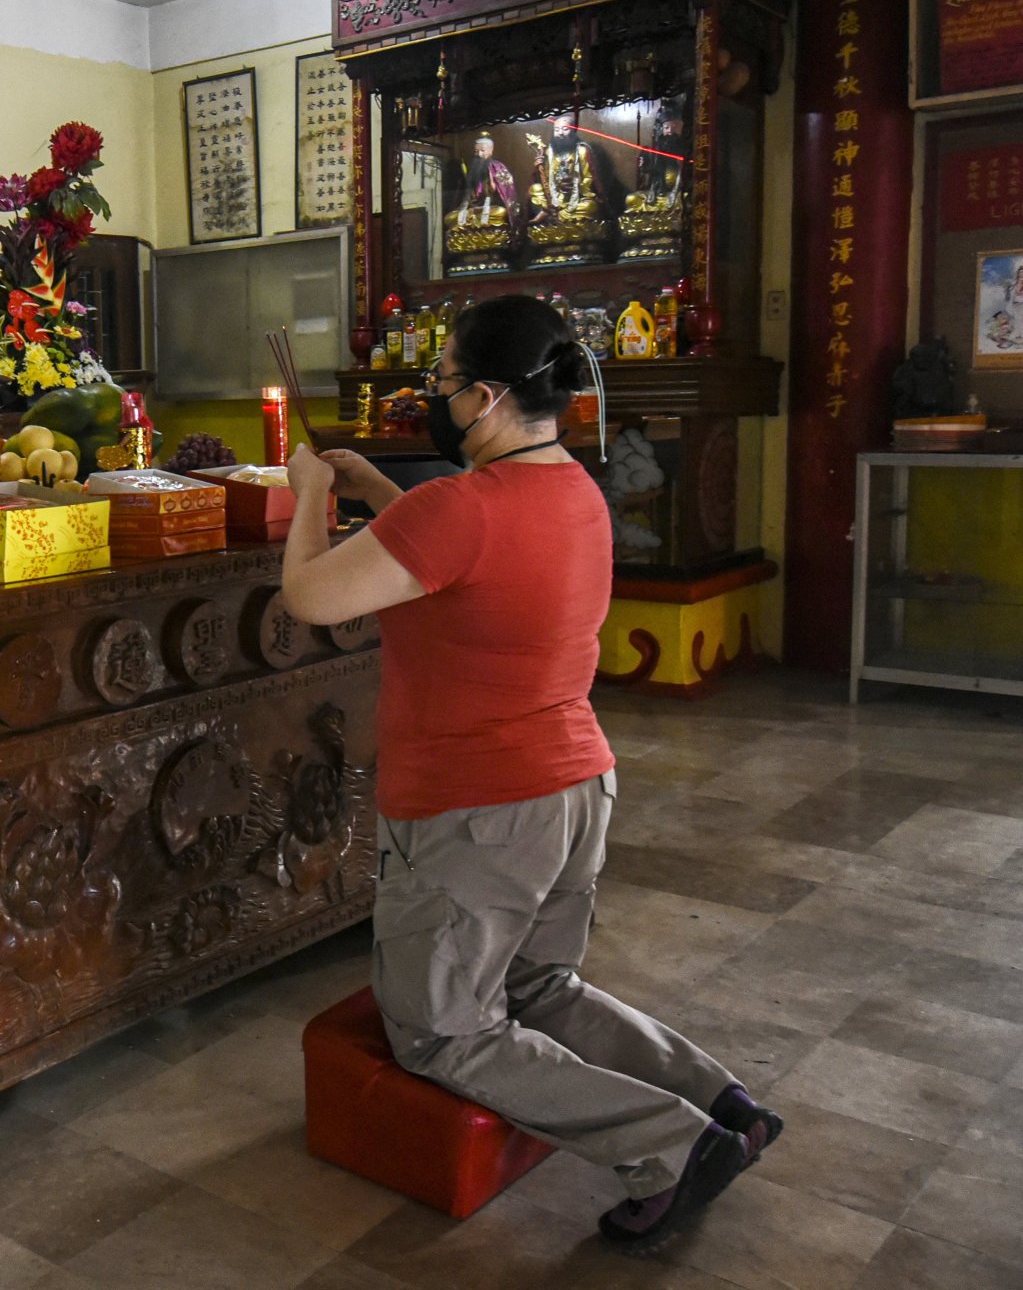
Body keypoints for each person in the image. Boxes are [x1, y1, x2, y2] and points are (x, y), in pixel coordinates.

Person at [280, 295, 781, 1254]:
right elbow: (455, 561)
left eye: (441, 383)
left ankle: (670, 1145)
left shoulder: (458, 511)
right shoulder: (574, 491)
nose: (435, 397)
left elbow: (311, 592)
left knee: (442, 1030)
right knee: (541, 985)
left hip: (476, 811)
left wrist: (308, 491)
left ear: (487, 395)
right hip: (571, 787)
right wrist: (382, 488)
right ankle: (723, 1101)